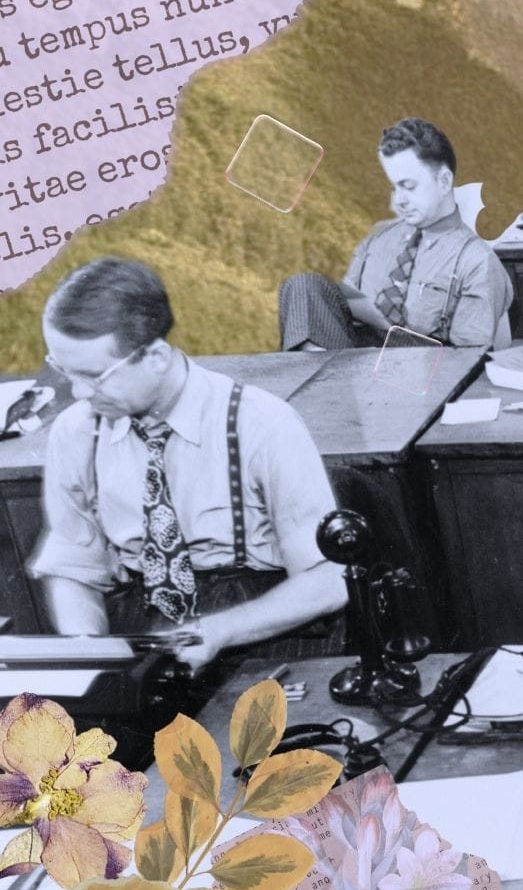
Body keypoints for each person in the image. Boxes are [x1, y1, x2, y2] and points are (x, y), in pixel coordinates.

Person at [33, 257, 348, 674]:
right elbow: (74, 567)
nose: (77, 392)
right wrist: (91, 653)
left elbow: (327, 581)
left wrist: (217, 632)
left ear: (157, 357)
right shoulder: (76, 433)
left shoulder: (261, 424)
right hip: (146, 630)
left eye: (94, 375)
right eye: (64, 371)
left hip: (264, 633)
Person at [279, 118, 513, 351]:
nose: (399, 200)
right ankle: (316, 381)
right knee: (304, 283)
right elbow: (339, 311)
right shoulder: (379, 239)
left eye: (409, 186)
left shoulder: (477, 262)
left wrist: (386, 330)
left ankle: (317, 383)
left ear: (443, 181)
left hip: (420, 374)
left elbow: (467, 361)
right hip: (352, 367)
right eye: (395, 187)